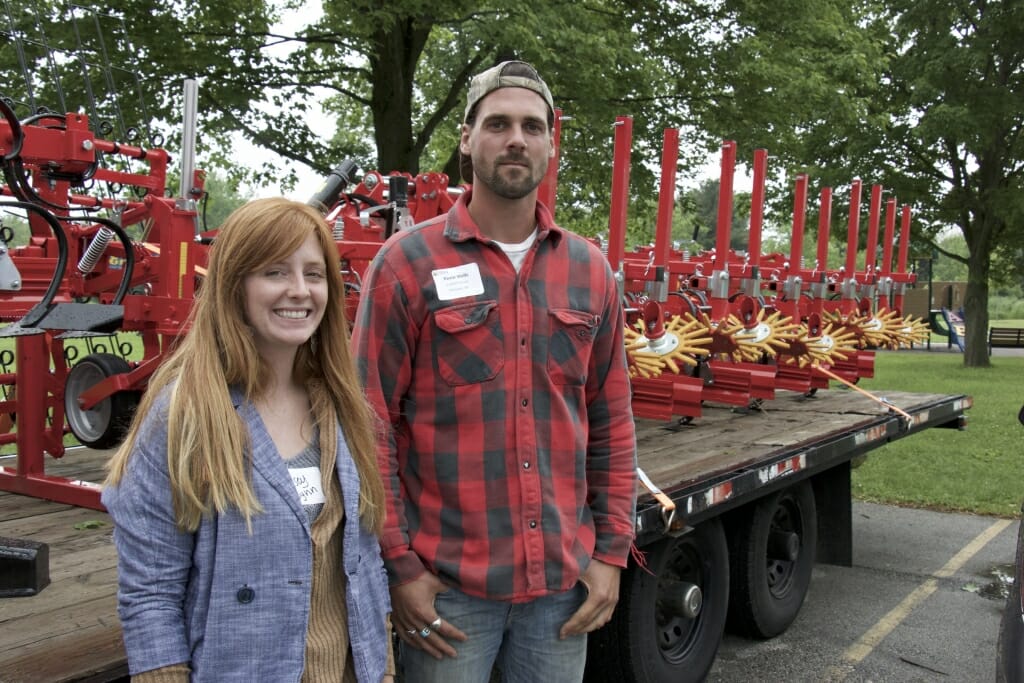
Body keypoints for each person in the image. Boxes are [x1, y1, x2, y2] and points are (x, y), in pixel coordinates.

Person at [351, 60, 638, 682]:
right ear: (466, 137)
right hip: (449, 594)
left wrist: (611, 553)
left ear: (551, 144)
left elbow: (611, 421)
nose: (517, 139)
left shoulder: (590, 271)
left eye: (533, 126)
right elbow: (367, 423)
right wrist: (401, 565)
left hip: (560, 593)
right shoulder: (406, 264)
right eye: (498, 123)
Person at [103, 197, 395, 682]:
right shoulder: (185, 415)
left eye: (315, 274)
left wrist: (382, 668)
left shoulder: (341, 405)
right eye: (275, 273)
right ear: (234, 284)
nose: (299, 291)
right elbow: (150, 591)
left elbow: (365, 559)